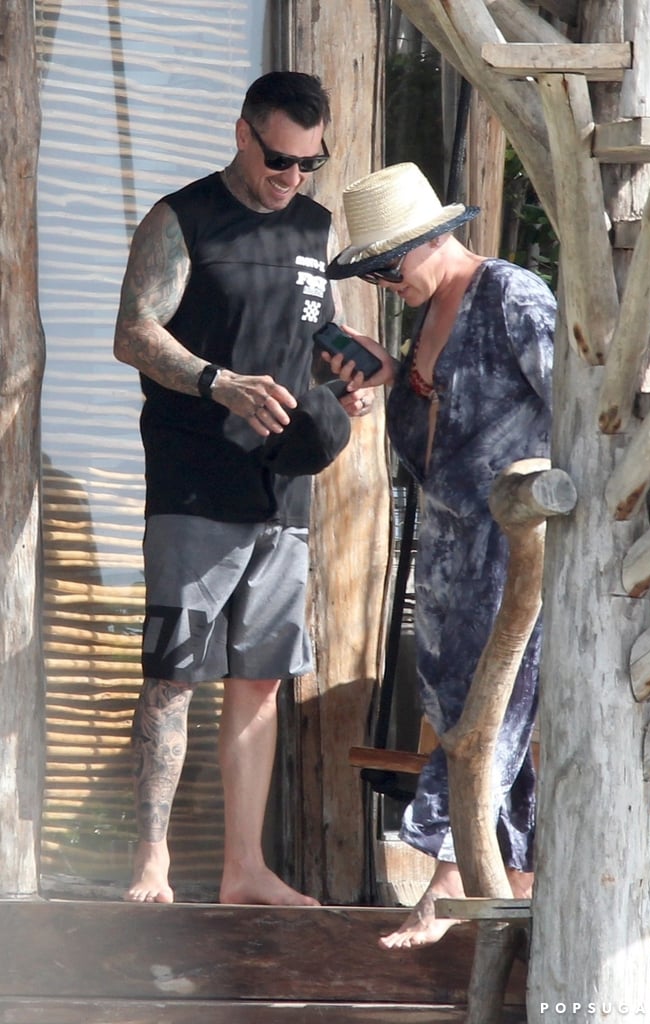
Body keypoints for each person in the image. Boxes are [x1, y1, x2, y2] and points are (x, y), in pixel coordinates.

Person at [113, 71, 374, 906]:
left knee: (259, 677)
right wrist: (217, 380)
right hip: (196, 481)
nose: (291, 176)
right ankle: (151, 860)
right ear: (242, 134)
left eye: (308, 162)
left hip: (282, 491)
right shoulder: (181, 218)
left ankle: (243, 870)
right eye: (278, 158)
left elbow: (313, 328)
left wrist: (348, 367)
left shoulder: (312, 226)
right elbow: (133, 333)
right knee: (175, 673)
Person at [325, 162, 555, 948]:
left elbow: (581, 411)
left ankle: (445, 880)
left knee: (487, 709)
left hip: (513, 540)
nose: (386, 283)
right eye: (373, 273)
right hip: (447, 541)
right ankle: (514, 889)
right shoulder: (421, 319)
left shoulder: (509, 296)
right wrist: (385, 381)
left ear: (434, 237)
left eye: (390, 266)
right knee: (459, 706)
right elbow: (438, 415)